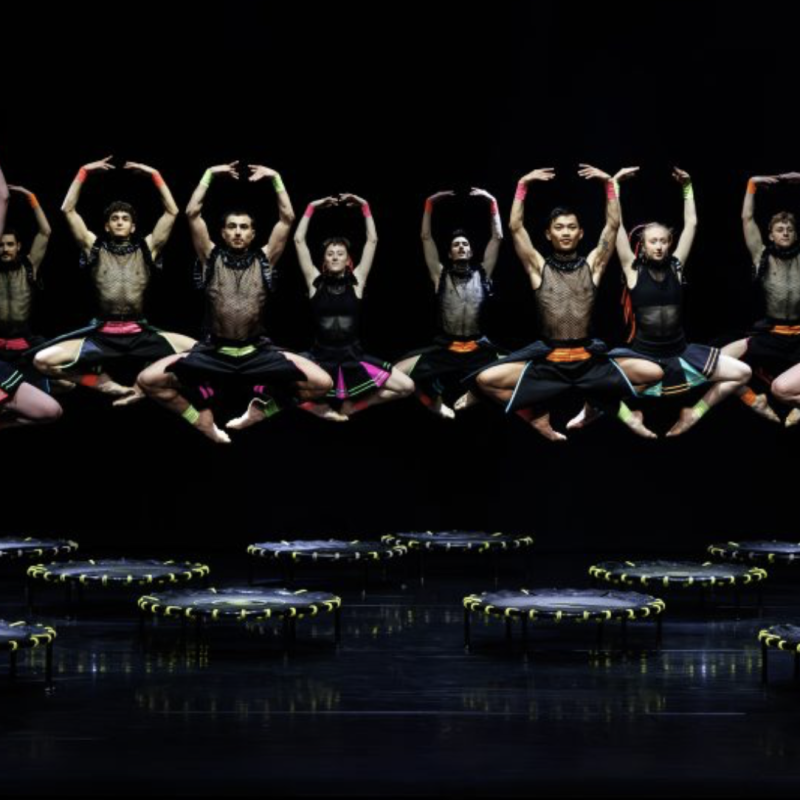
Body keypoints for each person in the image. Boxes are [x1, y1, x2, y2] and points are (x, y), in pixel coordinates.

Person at [137, 162, 332, 443]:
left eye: (244, 227)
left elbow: (287, 218)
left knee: (322, 384)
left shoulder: (265, 259)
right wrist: (209, 174)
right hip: (214, 350)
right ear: (223, 233)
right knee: (148, 380)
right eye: (232, 227)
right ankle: (201, 420)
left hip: (256, 350)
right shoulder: (210, 257)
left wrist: (276, 177)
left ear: (252, 234)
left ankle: (261, 411)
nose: (238, 232)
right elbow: (192, 213)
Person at [572, 168, 751, 437]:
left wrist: (687, 187)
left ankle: (693, 413)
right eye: (653, 241)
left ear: (669, 244)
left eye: (664, 241)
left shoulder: (676, 267)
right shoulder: (632, 269)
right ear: (643, 246)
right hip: (643, 356)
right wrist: (614, 186)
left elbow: (691, 224)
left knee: (743, 372)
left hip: (681, 354)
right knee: (589, 378)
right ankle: (624, 416)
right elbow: (616, 225)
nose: (658, 246)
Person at [473, 165, 647, 441]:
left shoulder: (593, 265)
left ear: (580, 233)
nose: (565, 232)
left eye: (571, 227)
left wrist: (608, 186)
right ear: (548, 234)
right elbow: (515, 227)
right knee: (484, 380)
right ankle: (536, 418)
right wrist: (522, 185)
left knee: (653, 372)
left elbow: (613, 226)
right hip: (549, 358)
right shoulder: (539, 268)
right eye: (559, 227)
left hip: (587, 358)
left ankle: (594, 408)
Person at [34, 157, 194, 405]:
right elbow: (68, 210)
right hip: (102, 335)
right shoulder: (94, 247)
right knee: (42, 361)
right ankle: (102, 384)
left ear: (133, 227)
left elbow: (172, 211)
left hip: (140, 333)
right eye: (115, 218)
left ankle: (143, 387)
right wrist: (83, 171)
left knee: (200, 354)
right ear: (107, 226)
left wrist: (154, 174)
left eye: (125, 218)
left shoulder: (147, 248)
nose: (120, 221)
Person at [294, 193, 413, 421]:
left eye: (340, 253)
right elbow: (299, 240)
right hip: (320, 358)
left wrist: (365, 206)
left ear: (348, 259)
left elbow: (372, 241)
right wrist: (311, 207)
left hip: (353, 358)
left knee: (407, 386)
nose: (335, 257)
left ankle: (354, 407)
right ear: (324, 260)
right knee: (276, 381)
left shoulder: (357, 282)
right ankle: (318, 408)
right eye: (330, 254)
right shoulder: (314, 282)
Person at [394, 188, 504, 418]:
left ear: (471, 252)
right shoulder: (440, 275)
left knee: (520, 370)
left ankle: (477, 393)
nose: (461, 246)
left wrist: (492, 202)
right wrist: (428, 204)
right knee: (395, 373)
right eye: (456, 245)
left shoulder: (483, 272)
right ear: (450, 253)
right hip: (446, 347)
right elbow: (426, 237)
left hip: (478, 348)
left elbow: (497, 238)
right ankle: (433, 402)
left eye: (465, 244)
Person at [722, 172, 800, 427]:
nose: (785, 233)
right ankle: (754, 400)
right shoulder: (762, 257)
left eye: (790, 229)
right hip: (773, 334)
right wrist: (751, 185)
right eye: (780, 229)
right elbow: (747, 218)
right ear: (771, 235)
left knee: (783, 388)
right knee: (719, 361)